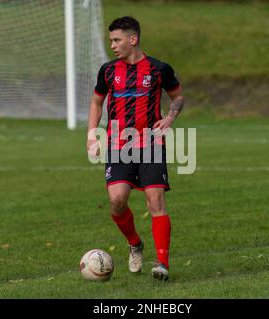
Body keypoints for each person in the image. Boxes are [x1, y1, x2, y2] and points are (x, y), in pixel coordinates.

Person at [87, 16, 185, 281]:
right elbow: (97, 102)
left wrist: (169, 118)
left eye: (117, 40)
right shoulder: (108, 71)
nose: (113, 46)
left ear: (133, 39)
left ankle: (162, 264)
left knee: (156, 200)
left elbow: (177, 96)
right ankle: (135, 243)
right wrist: (92, 135)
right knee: (117, 201)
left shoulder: (158, 69)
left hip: (150, 143)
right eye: (111, 41)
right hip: (118, 143)